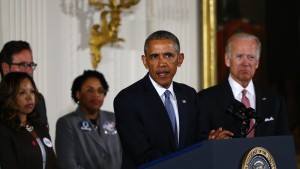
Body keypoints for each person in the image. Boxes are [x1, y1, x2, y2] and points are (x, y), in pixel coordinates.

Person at [113, 30, 200, 168]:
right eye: (154, 56)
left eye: (168, 55)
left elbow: (196, 141)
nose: (161, 63)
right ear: (145, 61)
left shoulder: (189, 95)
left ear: (180, 59)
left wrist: (210, 141)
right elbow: (143, 155)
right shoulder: (127, 100)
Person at [198, 32, 290, 140]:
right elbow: (197, 144)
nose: (245, 63)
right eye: (239, 56)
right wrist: (212, 143)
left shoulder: (275, 101)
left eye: (251, 57)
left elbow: (284, 145)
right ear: (227, 60)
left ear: (257, 63)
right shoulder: (205, 99)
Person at [55, 70, 122, 169]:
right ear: (78, 94)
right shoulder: (66, 123)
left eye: (100, 91)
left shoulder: (114, 118)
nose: (96, 94)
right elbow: (68, 164)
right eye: (89, 90)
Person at [0, 72, 58, 169]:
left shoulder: (40, 126)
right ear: (9, 96)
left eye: (32, 91)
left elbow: (53, 164)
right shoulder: (4, 131)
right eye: (22, 93)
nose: (29, 97)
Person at [0, 41, 48, 125]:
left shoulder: (38, 100)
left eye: (31, 65)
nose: (29, 71)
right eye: (23, 65)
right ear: (6, 68)